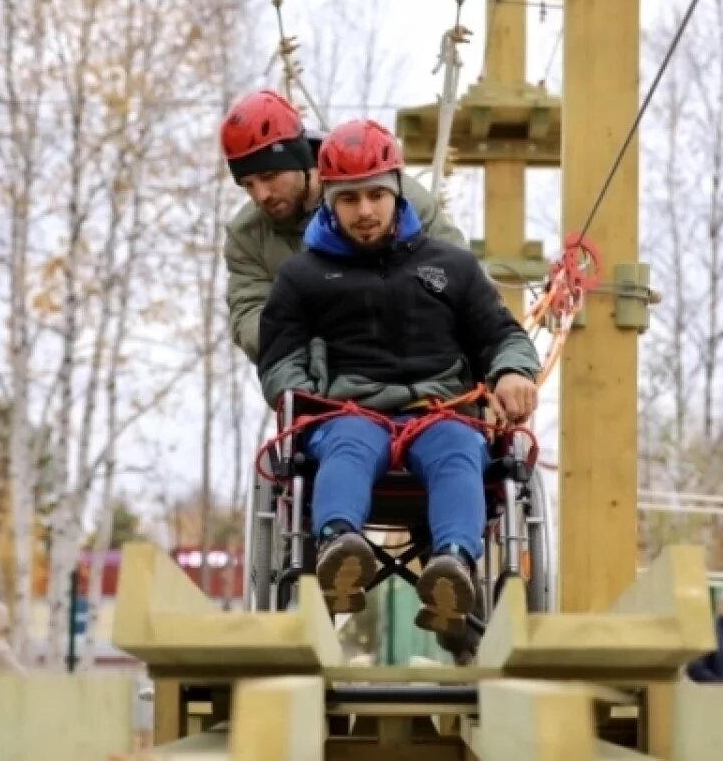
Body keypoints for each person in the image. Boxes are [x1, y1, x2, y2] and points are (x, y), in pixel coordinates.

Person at [257, 118, 540, 643]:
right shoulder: (304, 278)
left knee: (459, 446)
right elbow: (279, 358)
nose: (365, 212)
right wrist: (299, 399)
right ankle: (341, 550)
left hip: (438, 412)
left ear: (396, 192)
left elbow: (502, 334)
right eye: (350, 200)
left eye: (375, 196)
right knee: (347, 444)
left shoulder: (451, 267)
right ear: (330, 204)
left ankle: (453, 568)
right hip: (347, 411)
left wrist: (513, 370)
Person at [221, 90, 469, 364]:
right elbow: (250, 318)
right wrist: (331, 347)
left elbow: (461, 282)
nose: (261, 195)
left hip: (426, 370)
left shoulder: (390, 195)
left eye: (269, 176)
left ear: (302, 160)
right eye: (248, 184)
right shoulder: (247, 236)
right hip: (319, 388)